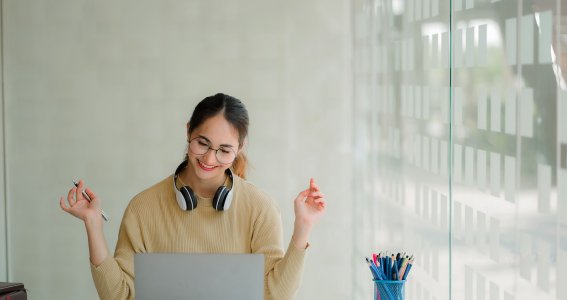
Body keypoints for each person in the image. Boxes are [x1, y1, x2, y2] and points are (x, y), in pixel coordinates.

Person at [59, 93, 327, 300]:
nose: (209, 159)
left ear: (240, 148)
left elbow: (274, 295)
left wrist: (303, 229)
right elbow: (119, 295)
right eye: (202, 143)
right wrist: (93, 225)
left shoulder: (259, 207)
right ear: (188, 131)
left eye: (224, 150)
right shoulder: (143, 208)